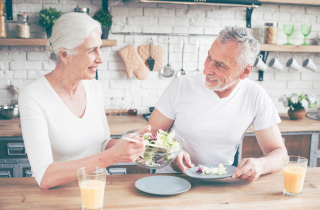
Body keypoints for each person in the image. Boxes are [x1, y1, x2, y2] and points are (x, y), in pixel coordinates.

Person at [18, 13, 149, 190]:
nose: (100, 58)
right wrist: (112, 157)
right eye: (91, 50)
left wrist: (129, 143)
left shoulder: (93, 88)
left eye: (100, 48)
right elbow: (45, 176)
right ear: (65, 55)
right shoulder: (33, 96)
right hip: (60, 198)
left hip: (97, 190)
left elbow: (102, 143)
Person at [148, 26, 288, 182]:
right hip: (172, 180)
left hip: (220, 184)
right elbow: (149, 135)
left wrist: (261, 165)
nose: (206, 70)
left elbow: (280, 155)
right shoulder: (181, 86)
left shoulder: (255, 95)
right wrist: (170, 153)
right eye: (209, 57)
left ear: (245, 72)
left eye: (220, 65)